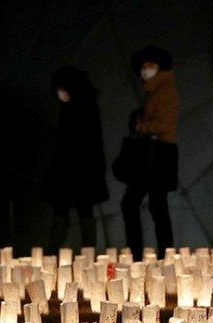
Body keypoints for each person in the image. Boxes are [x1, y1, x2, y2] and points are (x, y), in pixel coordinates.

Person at [41, 65, 108, 251]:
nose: (59, 93)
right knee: (80, 210)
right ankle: (85, 255)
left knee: (67, 210)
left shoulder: (76, 111)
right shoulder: (83, 109)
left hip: (74, 170)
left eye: (62, 88)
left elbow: (76, 142)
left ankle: (55, 255)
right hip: (80, 171)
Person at [122, 45, 178, 260]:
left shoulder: (164, 90)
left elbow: (163, 124)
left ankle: (153, 254)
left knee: (147, 204)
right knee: (155, 205)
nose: (146, 70)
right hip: (155, 155)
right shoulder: (154, 90)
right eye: (144, 66)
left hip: (158, 155)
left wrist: (140, 126)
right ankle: (162, 254)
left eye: (150, 66)